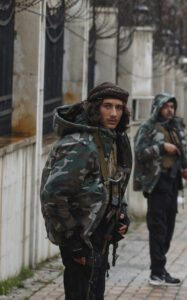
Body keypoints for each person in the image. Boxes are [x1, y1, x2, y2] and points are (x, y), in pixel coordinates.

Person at [40, 82, 132, 300]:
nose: (113, 113)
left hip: (99, 233)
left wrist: (121, 212)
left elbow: (114, 180)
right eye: (107, 106)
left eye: (119, 108)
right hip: (80, 236)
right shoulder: (81, 144)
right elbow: (53, 196)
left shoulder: (111, 139)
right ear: (94, 108)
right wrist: (73, 242)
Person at [133, 93, 187, 286]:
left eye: (172, 107)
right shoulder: (148, 128)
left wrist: (186, 168)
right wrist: (161, 147)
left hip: (173, 182)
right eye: (165, 106)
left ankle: (159, 267)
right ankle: (157, 271)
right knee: (157, 228)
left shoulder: (175, 127)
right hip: (156, 183)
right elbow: (140, 153)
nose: (169, 110)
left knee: (169, 227)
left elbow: (184, 151)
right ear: (158, 107)